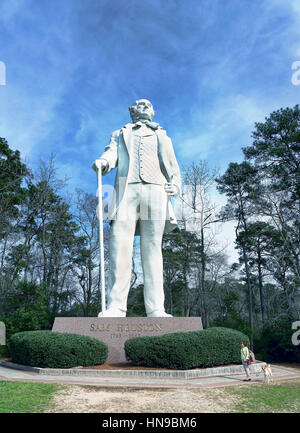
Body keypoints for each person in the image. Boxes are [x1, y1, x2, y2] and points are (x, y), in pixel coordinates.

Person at [92, 99, 181, 318]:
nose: (143, 106)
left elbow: (171, 163)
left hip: (156, 190)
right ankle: (116, 306)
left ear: (153, 111)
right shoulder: (120, 133)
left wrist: (176, 184)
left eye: (147, 105)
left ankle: (156, 308)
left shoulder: (162, 134)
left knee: (152, 249)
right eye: (139, 104)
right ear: (132, 111)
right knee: (119, 245)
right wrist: (104, 162)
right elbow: (111, 152)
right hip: (125, 189)